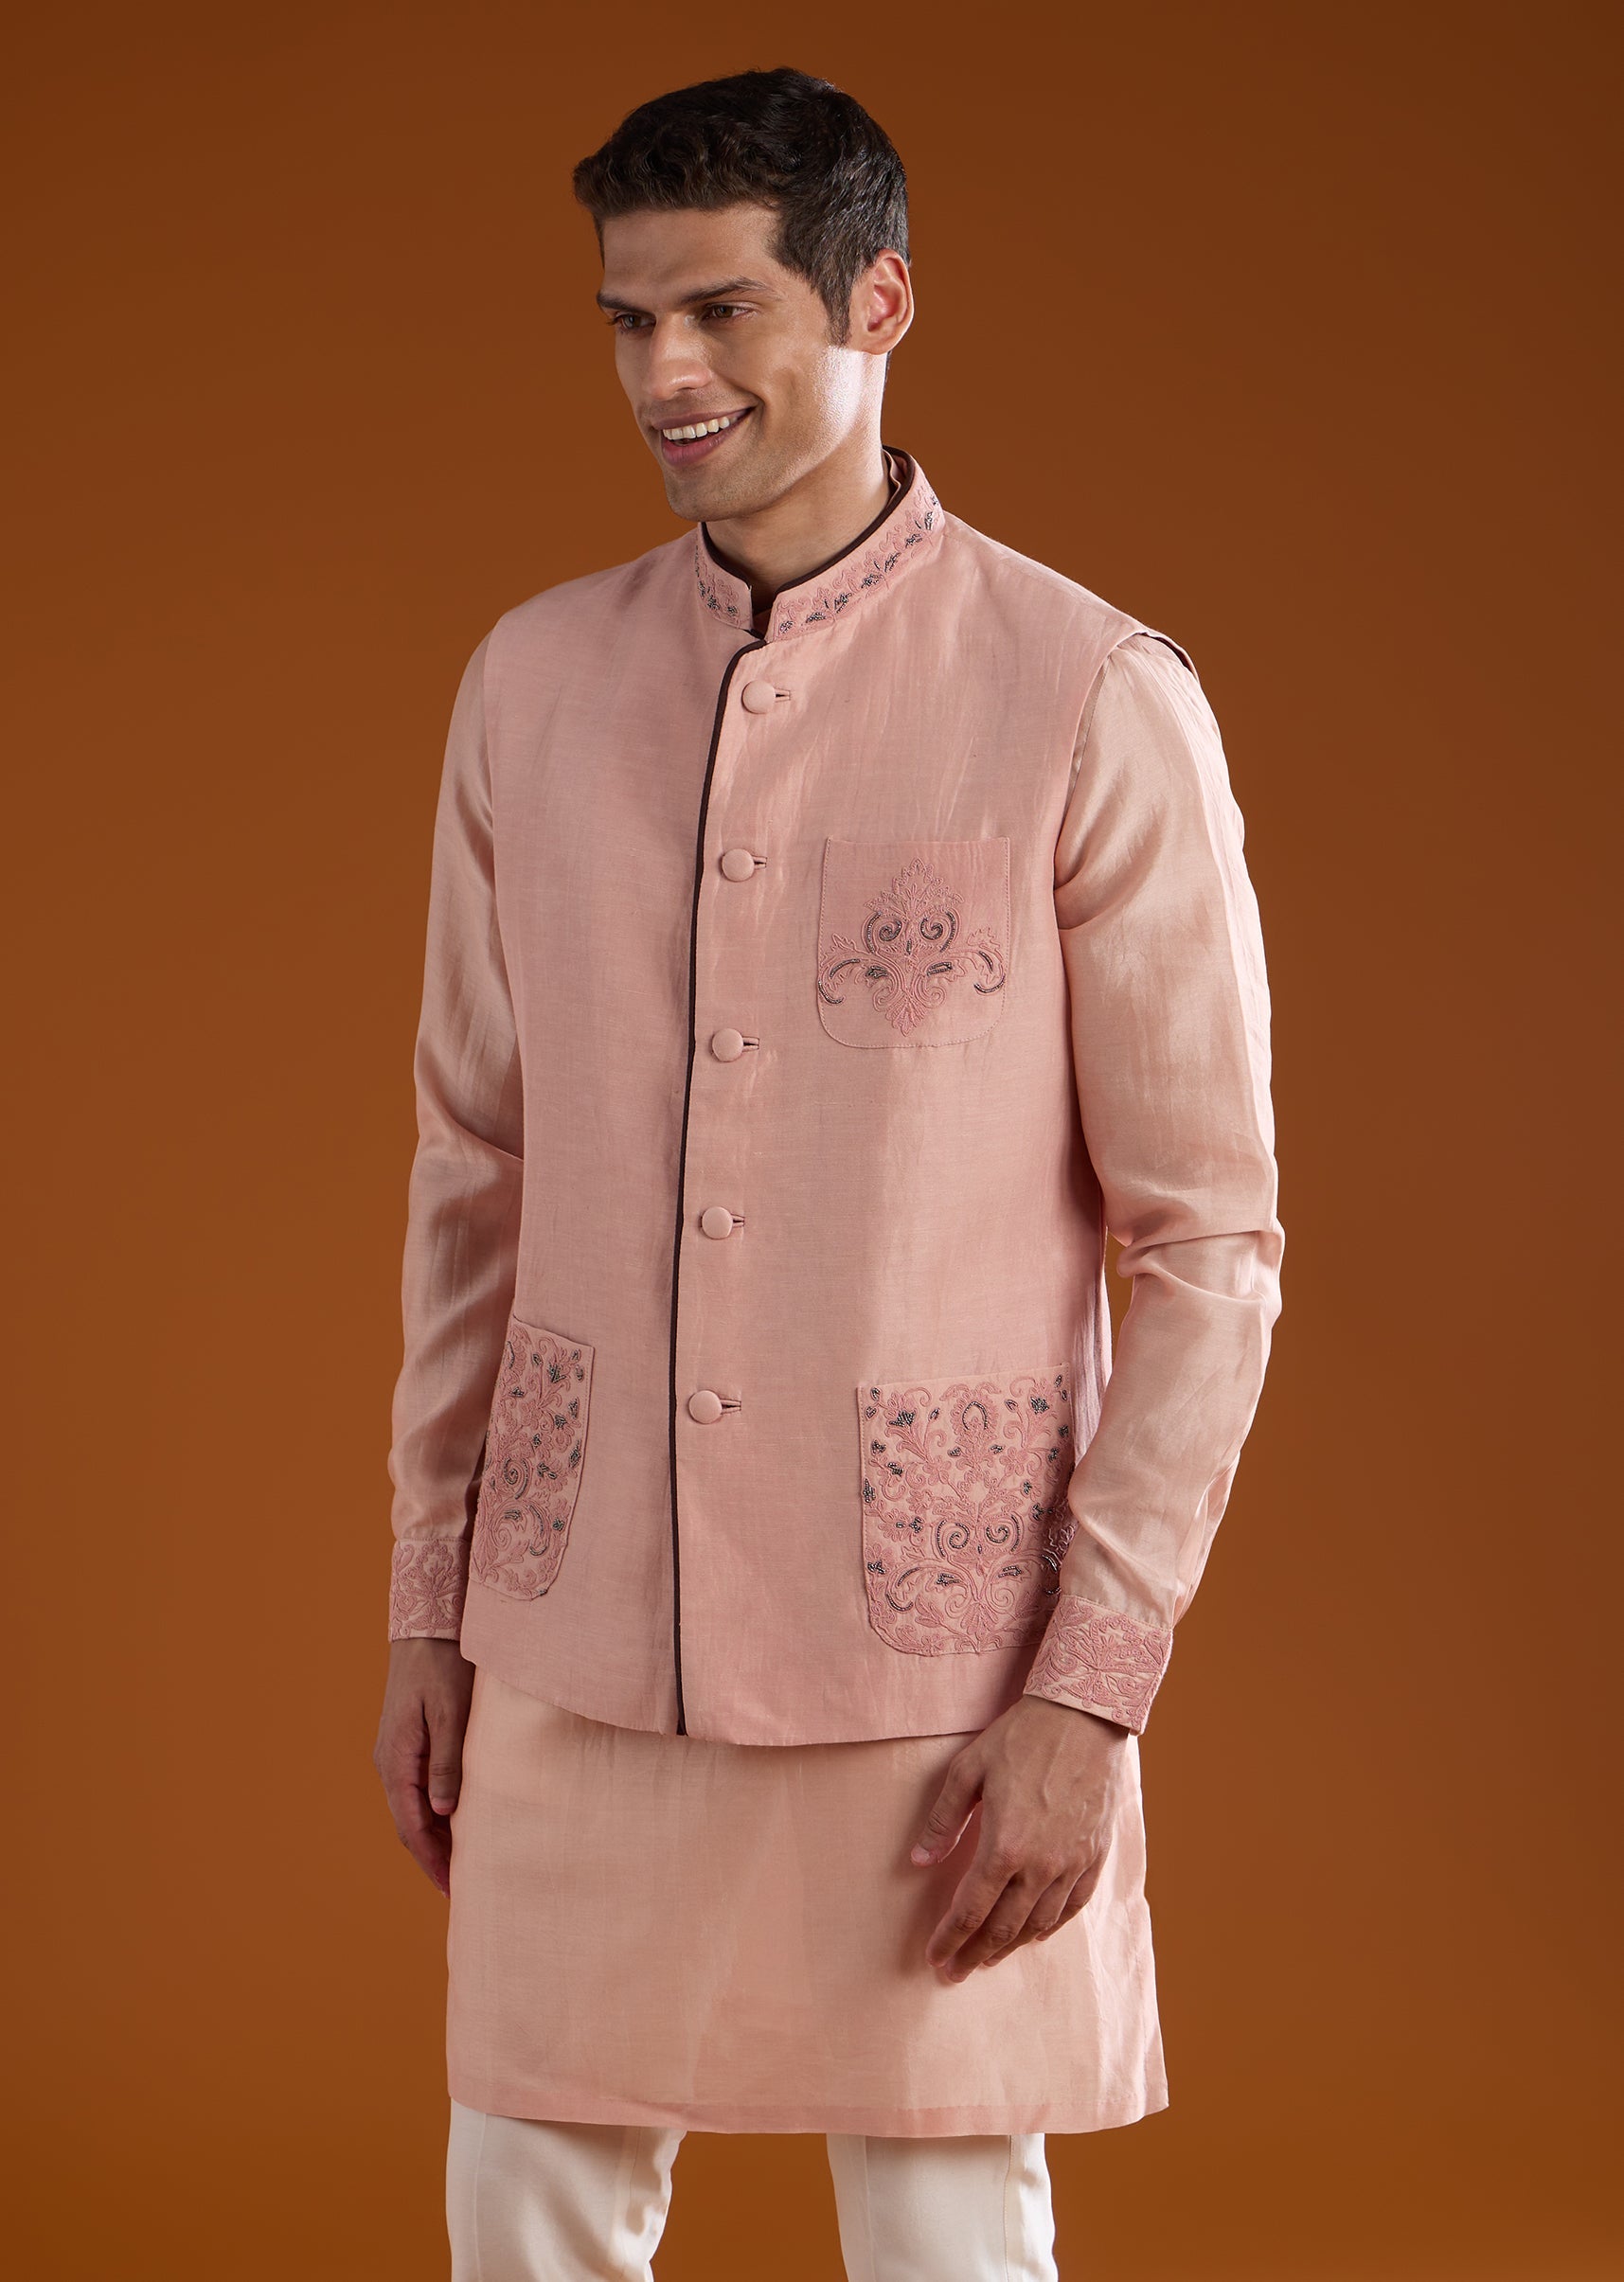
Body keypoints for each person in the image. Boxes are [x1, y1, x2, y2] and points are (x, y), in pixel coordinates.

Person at [372, 63, 1283, 2282]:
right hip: (578, 1629)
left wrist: (1090, 1686)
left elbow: (1211, 1243)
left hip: (940, 1654)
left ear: (879, 301)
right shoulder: (532, 688)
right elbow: (474, 1167)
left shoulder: (1084, 693)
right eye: (628, 319)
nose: (663, 373)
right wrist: (427, 1598)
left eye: (721, 311)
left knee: (948, 2226)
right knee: (521, 2210)